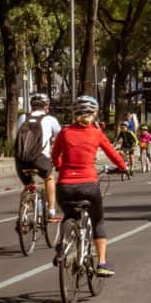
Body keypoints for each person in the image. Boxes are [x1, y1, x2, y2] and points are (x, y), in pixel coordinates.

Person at [51, 95, 129, 277]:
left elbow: (55, 157)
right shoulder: (96, 133)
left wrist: (62, 167)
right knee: (98, 220)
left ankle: (62, 244)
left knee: (69, 214)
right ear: (93, 114)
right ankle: (102, 263)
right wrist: (124, 168)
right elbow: (113, 154)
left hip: (64, 186)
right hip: (88, 185)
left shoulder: (64, 133)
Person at [14, 92, 62, 221]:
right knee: (49, 178)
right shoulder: (50, 119)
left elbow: (18, 136)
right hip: (39, 159)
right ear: (46, 106)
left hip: (21, 160)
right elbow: (61, 138)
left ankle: (23, 216)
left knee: (28, 185)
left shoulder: (23, 117)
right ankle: (51, 212)